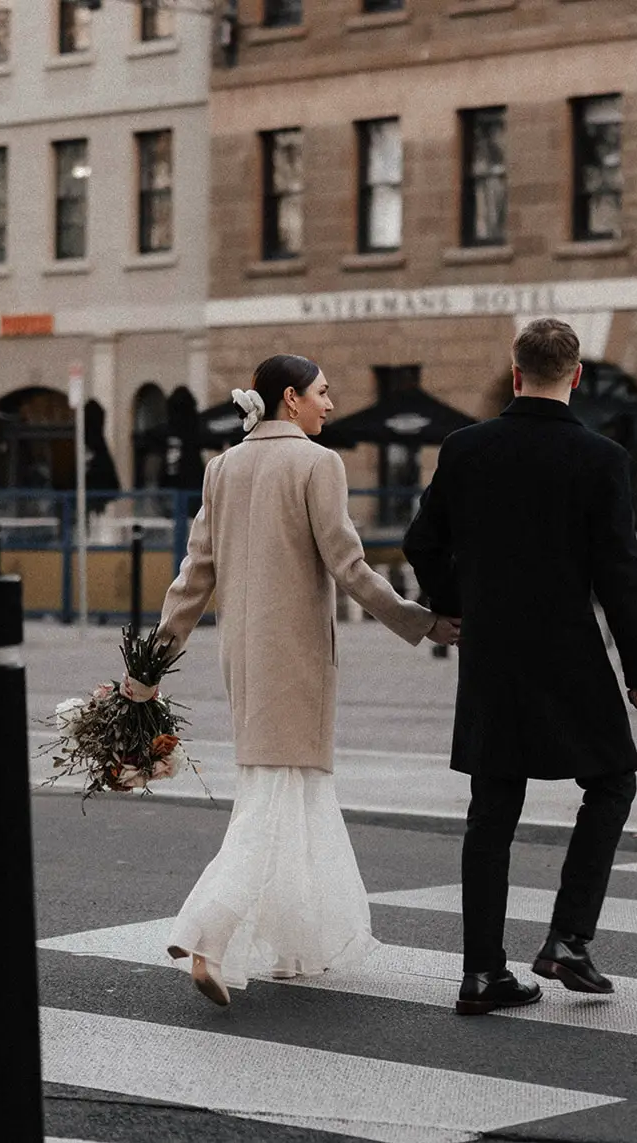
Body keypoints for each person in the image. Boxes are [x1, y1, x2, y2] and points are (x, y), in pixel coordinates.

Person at [156, 354, 460, 1007]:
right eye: (323, 392)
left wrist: (149, 662)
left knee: (287, 793)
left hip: (244, 657)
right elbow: (349, 567)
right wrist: (419, 620)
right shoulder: (318, 464)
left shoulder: (223, 467)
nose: (330, 403)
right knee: (271, 798)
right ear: (290, 398)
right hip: (294, 658)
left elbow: (193, 578)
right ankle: (204, 934)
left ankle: (293, 947)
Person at [403, 317, 637, 1016]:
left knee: (492, 808)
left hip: (491, 654)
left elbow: (422, 541)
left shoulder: (465, 448)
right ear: (575, 376)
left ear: (515, 373)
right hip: (569, 650)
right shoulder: (602, 458)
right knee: (612, 781)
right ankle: (568, 938)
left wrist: (452, 607)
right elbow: (618, 576)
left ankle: (483, 973)